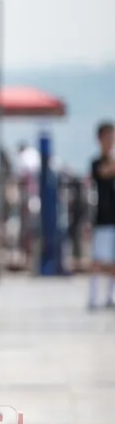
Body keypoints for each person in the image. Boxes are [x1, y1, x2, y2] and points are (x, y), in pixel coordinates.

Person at [88, 121, 115, 310]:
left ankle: (110, 296)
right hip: (102, 219)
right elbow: (103, 172)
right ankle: (94, 297)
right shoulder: (96, 162)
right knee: (98, 260)